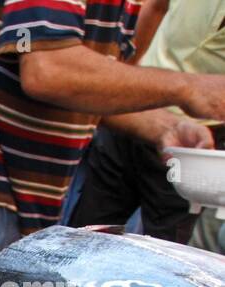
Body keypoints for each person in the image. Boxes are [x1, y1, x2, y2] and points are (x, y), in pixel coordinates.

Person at [0, 0, 225, 275]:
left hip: (13, 198)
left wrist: (162, 126)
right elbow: (47, 69)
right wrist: (186, 87)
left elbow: (88, 85)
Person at [68, 0, 225, 244]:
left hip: (193, 144)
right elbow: (156, 7)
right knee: (84, 235)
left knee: (164, 255)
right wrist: (118, 83)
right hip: (131, 110)